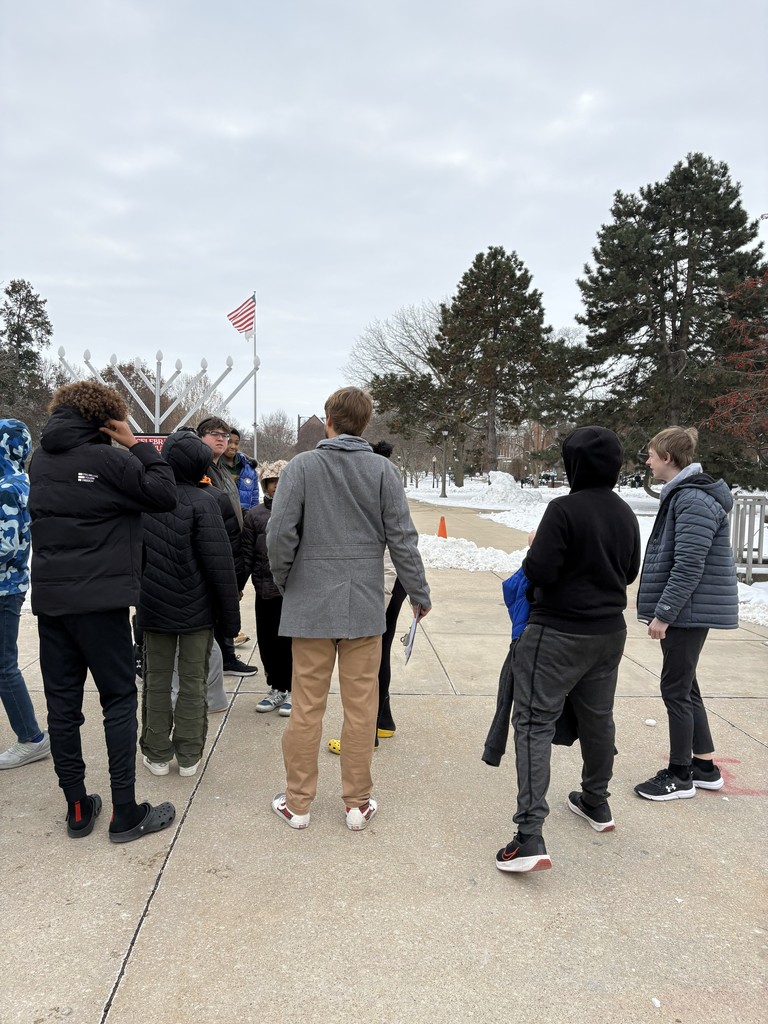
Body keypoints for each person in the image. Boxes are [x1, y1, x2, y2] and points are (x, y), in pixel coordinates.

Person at [266, 387, 431, 831]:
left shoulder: (301, 467)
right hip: (362, 604)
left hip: (311, 604)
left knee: (306, 706)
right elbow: (403, 538)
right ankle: (357, 803)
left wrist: (286, 581)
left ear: (329, 421)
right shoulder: (383, 471)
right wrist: (419, 592)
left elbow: (279, 534)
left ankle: (298, 803)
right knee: (361, 707)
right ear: (365, 423)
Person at [29, 381, 177, 842]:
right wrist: (136, 443)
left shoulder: (39, 461)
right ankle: (124, 812)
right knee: (117, 700)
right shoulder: (112, 461)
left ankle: (77, 808)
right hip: (102, 603)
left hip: (53, 603)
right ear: (107, 418)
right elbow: (164, 493)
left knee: (62, 706)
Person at [498, 426, 640, 873]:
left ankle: (529, 835)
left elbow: (540, 570)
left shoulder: (563, 509)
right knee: (598, 718)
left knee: (533, 723)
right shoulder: (625, 513)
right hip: (608, 634)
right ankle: (596, 800)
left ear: (573, 464)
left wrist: (534, 547)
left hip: (557, 633)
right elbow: (629, 572)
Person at [635, 427, 738, 801]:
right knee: (686, 685)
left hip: (687, 610)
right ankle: (704, 767)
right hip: (688, 608)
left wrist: (664, 613)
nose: (648, 462)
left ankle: (680, 775)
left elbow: (689, 565)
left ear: (668, 457)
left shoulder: (692, 499)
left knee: (675, 689)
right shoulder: (684, 494)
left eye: (651, 455)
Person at [138, 430, 241, 778]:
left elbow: (135, 559)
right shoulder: (205, 502)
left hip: (154, 608)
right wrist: (230, 619)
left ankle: (156, 751)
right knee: (193, 682)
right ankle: (188, 753)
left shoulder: (147, 502)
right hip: (197, 611)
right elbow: (220, 566)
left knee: (156, 680)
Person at [326, 440, 409, 755]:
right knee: (379, 655)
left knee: (370, 660)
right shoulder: (384, 486)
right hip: (389, 583)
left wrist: (378, 603)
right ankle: (383, 722)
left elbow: (388, 557)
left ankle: (364, 736)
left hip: (383, 586)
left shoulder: (377, 493)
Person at [0, 419, 51, 770]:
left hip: (4, 589)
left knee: (4, 667)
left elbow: (6, 545)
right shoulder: (21, 481)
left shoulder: (7, 488)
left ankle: (31, 738)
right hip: (11, 585)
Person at [196, 419, 257, 678]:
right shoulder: (198, 467)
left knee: (228, 600)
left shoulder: (221, 468)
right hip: (214, 544)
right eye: (215, 434)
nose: (223, 439)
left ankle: (227, 656)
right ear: (200, 437)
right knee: (218, 602)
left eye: (225, 435)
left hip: (233, 540)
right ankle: (222, 657)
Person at [242, 461, 292, 715]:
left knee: (290, 644)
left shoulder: (300, 511)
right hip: (264, 590)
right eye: (272, 481)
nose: (276, 486)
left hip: (291, 593)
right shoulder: (255, 515)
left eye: (282, 481)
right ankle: (277, 687)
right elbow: (247, 554)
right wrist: (238, 584)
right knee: (268, 642)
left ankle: (294, 689)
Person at [222, 428, 260, 512]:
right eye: (229, 442)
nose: (233, 446)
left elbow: (254, 499)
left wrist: (251, 516)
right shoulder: (214, 466)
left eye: (236, 443)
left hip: (244, 518)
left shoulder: (249, 470)